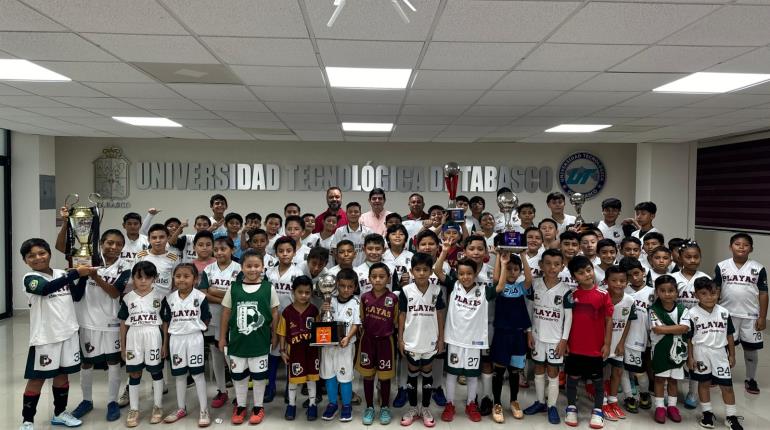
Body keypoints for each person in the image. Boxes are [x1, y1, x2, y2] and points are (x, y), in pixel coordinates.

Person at [18, 238, 92, 430]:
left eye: (42, 253)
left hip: (68, 334)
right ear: (25, 260)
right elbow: (45, 289)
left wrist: (83, 276)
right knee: (37, 379)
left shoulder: (61, 273)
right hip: (45, 338)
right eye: (31, 256)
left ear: (49, 254)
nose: (37, 258)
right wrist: (75, 272)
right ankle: (27, 420)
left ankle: (59, 414)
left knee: (62, 377)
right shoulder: (30, 278)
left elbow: (76, 296)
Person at [71, 230, 131, 422]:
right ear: (102, 243)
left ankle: (112, 402)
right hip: (87, 322)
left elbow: (115, 293)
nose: (114, 247)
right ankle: (86, 400)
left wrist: (95, 277)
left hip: (112, 323)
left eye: (119, 244)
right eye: (110, 243)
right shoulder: (86, 263)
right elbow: (76, 294)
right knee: (86, 362)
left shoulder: (125, 267)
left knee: (113, 363)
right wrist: (82, 273)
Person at [436, 256, 499, 423]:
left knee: (472, 375)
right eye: (461, 273)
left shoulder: (484, 290)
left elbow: (500, 286)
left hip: (474, 341)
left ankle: (471, 404)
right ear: (457, 274)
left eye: (469, 273)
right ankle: (450, 404)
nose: (465, 277)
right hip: (455, 339)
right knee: (451, 374)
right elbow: (437, 271)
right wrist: (444, 251)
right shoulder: (453, 285)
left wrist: (503, 263)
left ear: (476, 273)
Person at [219, 250, 279, 425]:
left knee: (259, 376)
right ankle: (241, 405)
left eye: (256, 266)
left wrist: (274, 335)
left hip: (260, 341)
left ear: (263, 267)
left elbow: (275, 313)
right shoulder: (233, 287)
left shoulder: (269, 288)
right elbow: (226, 312)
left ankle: (258, 407)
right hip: (238, 341)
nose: (253, 269)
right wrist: (222, 337)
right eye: (248, 266)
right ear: (242, 267)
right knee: (239, 376)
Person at [562, 256, 613, 429]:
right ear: (574, 276)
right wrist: (566, 342)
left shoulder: (604, 295)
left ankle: (598, 411)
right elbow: (566, 320)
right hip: (575, 347)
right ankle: (571, 407)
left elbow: (608, 321)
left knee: (598, 382)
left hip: (595, 348)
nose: (586, 275)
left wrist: (607, 343)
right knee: (573, 380)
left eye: (589, 270)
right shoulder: (571, 295)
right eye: (581, 273)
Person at [714, 232, 767, 395]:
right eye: (737, 244)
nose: (741, 247)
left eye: (745, 245)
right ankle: (719, 374)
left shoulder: (758, 268)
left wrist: (762, 316)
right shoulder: (721, 266)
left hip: (750, 316)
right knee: (723, 347)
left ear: (751, 248)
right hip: (727, 315)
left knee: (751, 349)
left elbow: (763, 293)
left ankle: (751, 379)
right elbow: (715, 290)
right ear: (730, 247)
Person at [523, 249, 572, 424]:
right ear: (541, 265)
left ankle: (552, 406)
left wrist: (564, 340)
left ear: (562, 266)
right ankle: (540, 402)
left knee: (552, 372)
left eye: (556, 264)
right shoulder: (534, 285)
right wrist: (529, 332)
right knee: (538, 369)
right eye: (548, 263)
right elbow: (528, 311)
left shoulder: (566, 290)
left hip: (555, 339)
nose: (552, 267)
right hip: (537, 337)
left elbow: (568, 318)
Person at [688, 278, 743, 430]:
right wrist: (690, 357)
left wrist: (732, 355)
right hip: (701, 352)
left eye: (713, 293)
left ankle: (731, 416)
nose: (709, 297)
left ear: (718, 293)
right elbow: (689, 338)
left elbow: (730, 335)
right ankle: (707, 413)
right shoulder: (691, 314)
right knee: (704, 383)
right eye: (704, 294)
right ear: (696, 295)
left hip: (720, 353)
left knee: (727, 386)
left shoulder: (724, 312)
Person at [398, 253, 446, 427]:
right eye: (417, 269)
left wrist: (441, 339)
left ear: (431, 271)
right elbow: (402, 315)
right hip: (411, 340)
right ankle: (412, 408)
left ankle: (425, 408)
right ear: (411, 271)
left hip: (430, 340)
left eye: (425, 270)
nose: (421, 273)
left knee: (427, 372)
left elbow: (440, 315)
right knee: (412, 372)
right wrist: (400, 339)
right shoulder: (405, 291)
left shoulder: (436, 290)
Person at [160, 264, 211, 426]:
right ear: (174, 279)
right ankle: (181, 408)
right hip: (176, 340)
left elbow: (206, 318)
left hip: (195, 338)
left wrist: (195, 328)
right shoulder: (169, 299)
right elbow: (166, 323)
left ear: (195, 279)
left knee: (197, 374)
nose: (182, 279)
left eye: (186, 276)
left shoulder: (200, 297)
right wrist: (165, 344)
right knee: (180, 375)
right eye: (178, 276)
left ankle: (204, 410)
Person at [119, 261, 167, 427]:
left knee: (156, 371)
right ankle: (134, 409)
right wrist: (123, 347)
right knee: (134, 373)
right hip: (134, 336)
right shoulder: (127, 298)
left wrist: (165, 345)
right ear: (133, 278)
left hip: (154, 335)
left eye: (148, 277)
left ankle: (158, 406)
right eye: (139, 277)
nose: (143, 281)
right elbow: (123, 324)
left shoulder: (160, 296)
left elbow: (165, 323)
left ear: (154, 278)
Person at [490, 251, 532, 423]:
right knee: (499, 371)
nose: (512, 272)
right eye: (509, 269)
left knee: (515, 371)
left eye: (516, 270)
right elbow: (495, 279)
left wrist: (523, 256)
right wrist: (501, 261)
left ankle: (514, 401)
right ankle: (497, 403)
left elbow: (529, 279)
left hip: (518, 334)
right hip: (502, 334)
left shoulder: (521, 287)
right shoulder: (499, 287)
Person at [200, 236, 241, 409]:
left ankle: (240, 394)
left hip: (233, 319)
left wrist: (214, 291)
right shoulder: (208, 269)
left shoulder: (239, 268)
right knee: (216, 355)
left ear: (232, 250)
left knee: (232, 356)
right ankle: (222, 390)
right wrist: (225, 295)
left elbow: (239, 295)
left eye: (223, 249)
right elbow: (203, 293)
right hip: (213, 318)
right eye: (216, 249)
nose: (219, 252)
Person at [357, 263, 399, 426]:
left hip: (386, 342)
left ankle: (385, 407)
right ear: (369, 279)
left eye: (382, 277)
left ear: (388, 278)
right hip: (367, 341)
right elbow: (361, 319)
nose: (378, 280)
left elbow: (396, 322)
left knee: (385, 377)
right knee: (368, 375)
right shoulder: (364, 298)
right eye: (374, 277)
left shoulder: (393, 299)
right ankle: (369, 407)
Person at [265, 236, 305, 402]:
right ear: (276, 253)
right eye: (281, 251)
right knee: (273, 353)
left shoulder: (298, 273)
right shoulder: (269, 273)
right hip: (273, 318)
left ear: (294, 253)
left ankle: (290, 389)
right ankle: (271, 386)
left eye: (288, 251)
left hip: (292, 319)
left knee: (291, 354)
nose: (285, 254)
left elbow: (301, 297)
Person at [277, 276, 320, 421]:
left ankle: (313, 405)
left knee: (311, 380)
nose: (303, 295)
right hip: (294, 352)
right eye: (300, 292)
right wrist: (282, 351)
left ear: (311, 293)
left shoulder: (314, 310)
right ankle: (291, 405)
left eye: (307, 292)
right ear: (293, 292)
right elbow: (282, 332)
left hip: (312, 352)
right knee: (293, 380)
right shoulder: (287, 312)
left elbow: (320, 332)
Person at [648, 275, 690, 424]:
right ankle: (659, 407)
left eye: (671, 290)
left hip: (678, 351)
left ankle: (672, 407)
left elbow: (685, 327)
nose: (667, 294)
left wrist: (667, 328)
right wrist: (677, 328)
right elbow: (657, 329)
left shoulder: (682, 309)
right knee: (659, 379)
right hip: (660, 349)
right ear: (657, 292)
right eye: (663, 290)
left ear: (677, 292)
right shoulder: (653, 309)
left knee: (673, 381)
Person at [320, 269, 361, 422]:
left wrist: (348, 337)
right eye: (342, 286)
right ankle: (332, 404)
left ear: (355, 286)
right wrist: (322, 310)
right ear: (336, 285)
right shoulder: (329, 300)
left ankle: (346, 405)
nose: (345, 290)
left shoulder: (356, 302)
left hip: (346, 345)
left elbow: (356, 324)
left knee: (345, 376)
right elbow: (321, 321)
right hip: (328, 345)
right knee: (329, 375)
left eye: (349, 286)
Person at [601, 265, 634, 422]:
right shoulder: (600, 297)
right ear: (606, 281)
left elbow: (627, 323)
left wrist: (621, 343)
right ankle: (602, 402)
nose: (618, 284)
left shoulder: (629, 300)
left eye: (622, 281)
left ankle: (613, 400)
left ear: (627, 282)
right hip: (601, 344)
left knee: (617, 373)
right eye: (614, 280)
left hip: (617, 345)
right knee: (599, 374)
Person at [135, 224, 179, 296]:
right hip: (144, 299)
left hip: (165, 300)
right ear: (149, 240)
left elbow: (175, 281)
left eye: (161, 237)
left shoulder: (174, 258)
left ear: (167, 238)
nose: (158, 240)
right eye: (154, 238)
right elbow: (135, 279)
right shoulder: (140, 256)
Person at [331, 202, 371, 267]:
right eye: (350, 212)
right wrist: (342, 265)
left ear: (360, 214)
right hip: (345, 269)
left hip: (364, 269)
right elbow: (335, 251)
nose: (353, 214)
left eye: (356, 212)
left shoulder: (368, 231)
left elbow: (371, 251)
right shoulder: (340, 231)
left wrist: (364, 267)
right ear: (346, 214)